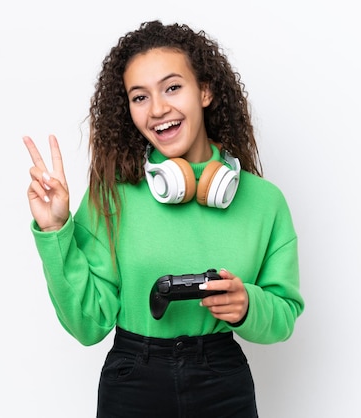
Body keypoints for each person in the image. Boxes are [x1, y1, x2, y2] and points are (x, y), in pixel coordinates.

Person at [23, 20, 304, 418]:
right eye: (140, 97)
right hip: (133, 379)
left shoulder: (264, 202)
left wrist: (247, 305)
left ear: (204, 91)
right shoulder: (112, 195)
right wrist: (55, 230)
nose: (157, 109)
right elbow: (88, 326)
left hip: (222, 380)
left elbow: (284, 314)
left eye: (173, 87)